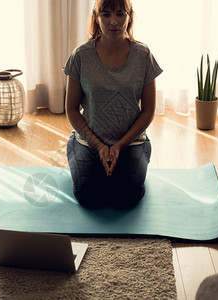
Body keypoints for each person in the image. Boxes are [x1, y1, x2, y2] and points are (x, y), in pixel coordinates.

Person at [63, 0, 163, 209]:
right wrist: (98, 145)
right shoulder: (80, 56)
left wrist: (119, 146)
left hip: (131, 142)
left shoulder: (143, 55)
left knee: (129, 196)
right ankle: (75, 149)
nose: (114, 22)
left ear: (129, 16)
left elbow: (148, 111)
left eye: (120, 14)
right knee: (87, 196)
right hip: (88, 141)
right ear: (96, 18)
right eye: (106, 14)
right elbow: (71, 109)